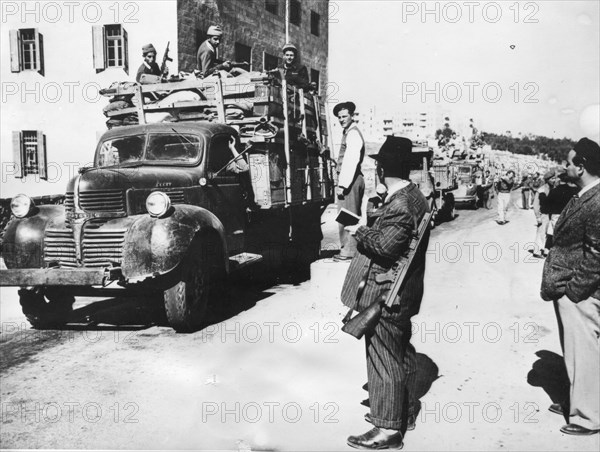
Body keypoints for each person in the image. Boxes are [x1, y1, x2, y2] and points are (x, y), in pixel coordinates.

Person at [341, 137, 430, 450]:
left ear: (380, 168)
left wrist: (358, 230)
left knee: (383, 359)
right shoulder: (411, 196)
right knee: (399, 353)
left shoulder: (401, 204)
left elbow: (384, 246)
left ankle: (387, 431)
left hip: (386, 294)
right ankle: (402, 411)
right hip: (402, 292)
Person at [541, 137, 600, 436]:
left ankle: (587, 416)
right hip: (571, 289)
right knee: (575, 351)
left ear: (582, 166)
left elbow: (598, 255)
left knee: (585, 352)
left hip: (581, 293)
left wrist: (575, 291)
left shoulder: (597, 199)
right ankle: (576, 398)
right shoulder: (583, 195)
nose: (565, 167)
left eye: (569, 162)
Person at [333, 101, 365, 261]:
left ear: (352, 116)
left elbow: (351, 160)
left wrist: (343, 185)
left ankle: (348, 252)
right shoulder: (349, 131)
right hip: (352, 179)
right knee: (348, 215)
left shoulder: (352, 133)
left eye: (345, 116)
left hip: (350, 181)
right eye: (339, 117)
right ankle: (350, 250)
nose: (341, 119)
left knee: (347, 216)